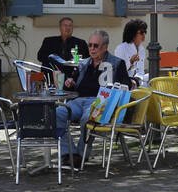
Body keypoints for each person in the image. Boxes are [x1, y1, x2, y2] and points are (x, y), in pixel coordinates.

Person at [56, 30, 132, 164]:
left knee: (88, 117)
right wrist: (70, 82)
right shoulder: (84, 63)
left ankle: (81, 154)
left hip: (100, 102)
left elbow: (126, 85)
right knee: (57, 114)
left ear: (105, 47)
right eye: (90, 45)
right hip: (78, 101)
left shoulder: (117, 63)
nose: (91, 49)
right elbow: (71, 88)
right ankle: (69, 152)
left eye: (95, 46)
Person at [114, 18, 148, 86]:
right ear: (133, 34)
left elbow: (141, 71)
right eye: (141, 32)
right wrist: (131, 62)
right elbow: (119, 72)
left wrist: (138, 79)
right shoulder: (121, 48)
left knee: (152, 77)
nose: (144, 35)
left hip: (137, 81)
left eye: (145, 32)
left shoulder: (142, 49)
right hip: (124, 82)